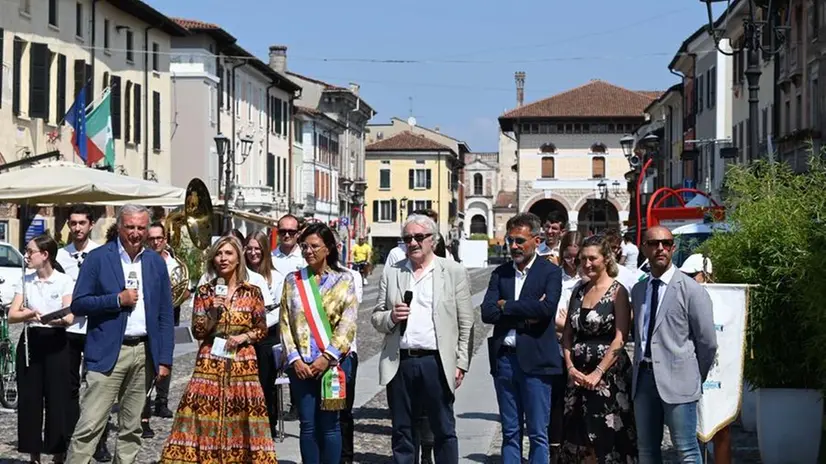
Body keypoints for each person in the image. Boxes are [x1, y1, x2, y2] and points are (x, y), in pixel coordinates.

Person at [66, 204, 174, 464]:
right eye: (130, 227)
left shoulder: (155, 262)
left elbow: (164, 314)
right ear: (119, 227)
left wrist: (164, 358)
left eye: (141, 227)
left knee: (132, 428)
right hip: (107, 352)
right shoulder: (99, 258)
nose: (136, 233)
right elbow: (79, 304)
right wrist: (116, 300)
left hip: (143, 352)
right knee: (89, 426)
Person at [160, 235, 277, 462]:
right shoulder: (205, 291)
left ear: (238, 258)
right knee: (202, 413)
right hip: (210, 360)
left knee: (242, 414)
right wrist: (212, 314)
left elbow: (261, 329)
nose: (222, 258)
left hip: (243, 362)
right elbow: (198, 331)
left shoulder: (252, 292)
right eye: (219, 254)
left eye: (228, 253)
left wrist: (243, 336)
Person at [373, 213, 474, 464]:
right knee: (403, 431)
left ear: (433, 240)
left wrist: (461, 364)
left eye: (419, 237)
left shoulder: (452, 271)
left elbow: (466, 322)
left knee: (443, 429)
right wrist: (391, 317)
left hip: (436, 361)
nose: (413, 243)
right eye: (407, 238)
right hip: (401, 361)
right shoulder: (393, 272)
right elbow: (376, 317)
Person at [481, 212, 562, 464]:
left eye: (519, 241)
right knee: (510, 431)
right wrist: (524, 309)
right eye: (510, 240)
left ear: (536, 241)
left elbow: (547, 309)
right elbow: (487, 312)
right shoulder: (501, 273)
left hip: (537, 361)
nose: (513, 246)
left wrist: (508, 306)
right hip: (505, 360)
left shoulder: (550, 272)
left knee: (538, 432)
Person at [631, 226, 718, 462]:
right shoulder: (639, 290)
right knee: (647, 450)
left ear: (673, 248)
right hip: (644, 380)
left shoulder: (691, 290)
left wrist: (692, 374)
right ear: (644, 248)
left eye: (667, 243)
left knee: (687, 449)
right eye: (654, 243)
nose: (661, 248)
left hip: (680, 380)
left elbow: (707, 341)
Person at [280, 222, 358, 464]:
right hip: (301, 365)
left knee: (330, 425)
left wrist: (327, 357)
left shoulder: (345, 280)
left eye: (314, 246)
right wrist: (294, 359)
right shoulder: (293, 281)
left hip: (332, 366)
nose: (308, 251)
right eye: (305, 246)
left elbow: (349, 323)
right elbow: (285, 322)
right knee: (308, 425)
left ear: (328, 249)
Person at [561, 235, 637, 462]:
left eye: (592, 258)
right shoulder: (578, 291)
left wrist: (598, 372)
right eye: (583, 259)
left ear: (606, 259)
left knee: (608, 439)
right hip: (577, 377)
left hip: (608, 378)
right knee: (577, 438)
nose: (587, 264)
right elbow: (567, 335)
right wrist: (570, 367)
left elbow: (620, 338)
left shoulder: (618, 291)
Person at [9, 234, 74, 464]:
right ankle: (33, 454)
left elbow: (69, 315)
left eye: (30, 251)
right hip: (31, 340)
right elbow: (12, 315)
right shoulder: (25, 280)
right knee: (30, 399)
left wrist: (51, 319)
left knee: (57, 398)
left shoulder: (64, 281)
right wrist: (27, 314)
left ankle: (57, 452)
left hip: (56, 341)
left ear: (44, 255)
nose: (26, 256)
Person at [54, 205, 111, 462]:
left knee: (99, 385)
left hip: (95, 327)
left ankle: (99, 440)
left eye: (82, 223)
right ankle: (70, 439)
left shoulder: (101, 253)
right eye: (73, 223)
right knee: (69, 387)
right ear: (69, 225)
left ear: (90, 225)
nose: (77, 228)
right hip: (68, 329)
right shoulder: (60, 255)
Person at [139, 222, 189, 439]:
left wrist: (180, 294)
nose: (156, 242)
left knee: (166, 357)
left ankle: (162, 400)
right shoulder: (141, 261)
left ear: (165, 239)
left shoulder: (175, 264)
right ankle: (143, 409)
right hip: (148, 316)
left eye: (159, 238)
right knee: (146, 362)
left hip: (169, 313)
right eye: (152, 239)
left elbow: (185, 289)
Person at [680, 254, 730, 464]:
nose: (689, 280)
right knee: (688, 432)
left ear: (706, 276)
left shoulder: (726, 301)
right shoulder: (681, 295)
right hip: (689, 372)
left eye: (693, 275)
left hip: (717, 372)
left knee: (721, 427)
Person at [245, 229, 286, 439]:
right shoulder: (239, 273)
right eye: (249, 248)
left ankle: (267, 428)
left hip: (266, 336)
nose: (253, 253)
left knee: (265, 385)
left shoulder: (276, 277)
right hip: (244, 336)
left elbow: (278, 310)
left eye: (257, 248)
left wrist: (257, 327)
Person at [549, 230, 583, 460]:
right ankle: (555, 450)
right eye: (568, 257)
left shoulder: (588, 279)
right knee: (557, 403)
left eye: (576, 257)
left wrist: (566, 323)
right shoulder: (554, 277)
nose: (572, 262)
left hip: (580, 349)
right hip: (556, 347)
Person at [271, 214, 307, 422]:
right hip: (275, 318)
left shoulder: (304, 257)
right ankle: (274, 407)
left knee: (297, 360)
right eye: (282, 231)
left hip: (299, 319)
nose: (286, 235)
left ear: (298, 233)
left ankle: (296, 402)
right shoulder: (272, 257)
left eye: (291, 232)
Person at [336, 234, 363, 464]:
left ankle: (345, 456)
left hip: (344, 353)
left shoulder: (352, 276)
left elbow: (350, 316)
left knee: (344, 410)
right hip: (312, 355)